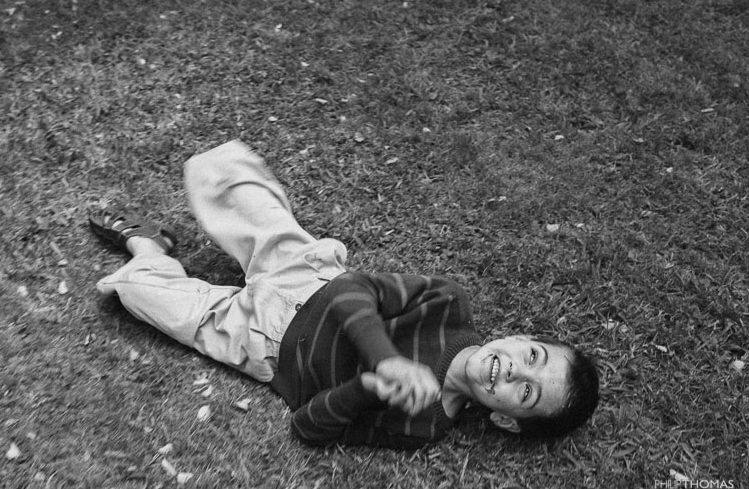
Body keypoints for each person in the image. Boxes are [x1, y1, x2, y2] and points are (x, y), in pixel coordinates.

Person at [89, 140, 599, 448]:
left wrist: (370, 388)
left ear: (507, 420)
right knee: (215, 169)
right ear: (519, 336)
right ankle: (230, 220)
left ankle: (147, 246)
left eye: (526, 391)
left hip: (263, 345)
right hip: (305, 276)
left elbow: (309, 427)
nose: (514, 370)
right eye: (532, 355)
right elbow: (353, 290)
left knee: (135, 292)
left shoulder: (422, 427)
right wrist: (386, 359)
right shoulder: (448, 304)